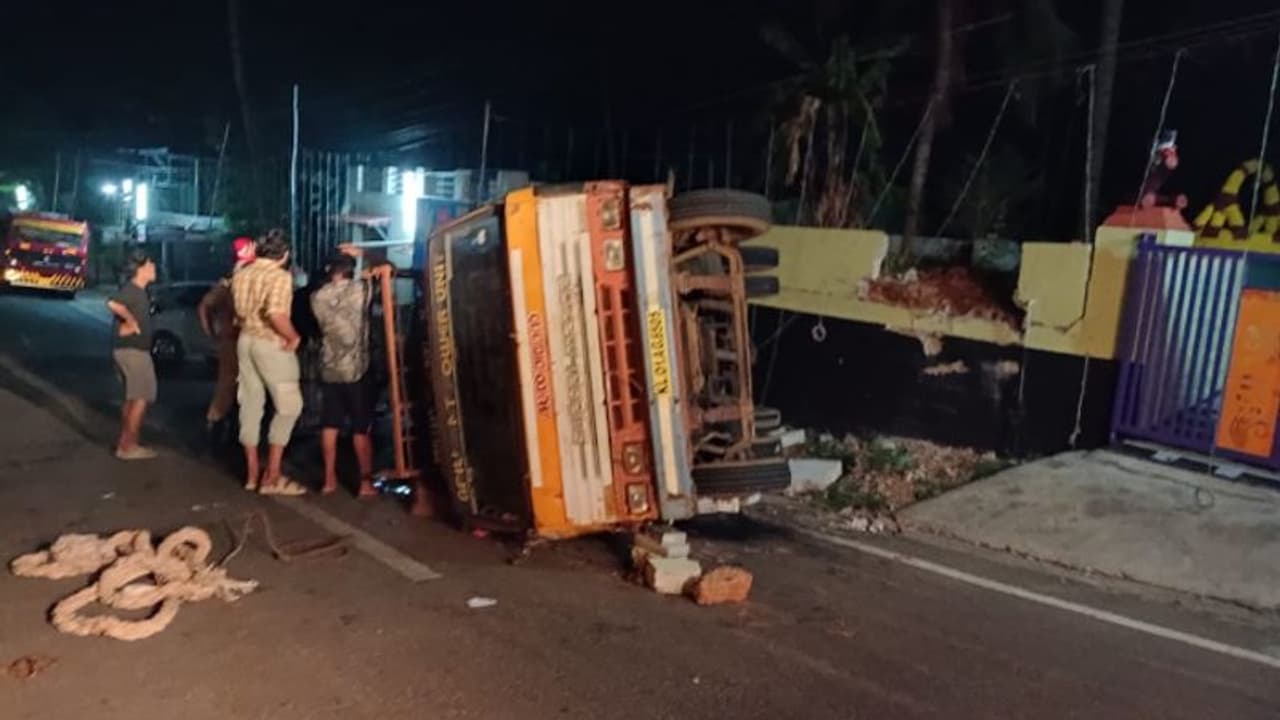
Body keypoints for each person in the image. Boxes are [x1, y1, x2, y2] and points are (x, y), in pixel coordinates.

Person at [230, 229, 307, 495]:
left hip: (245, 341)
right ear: (284, 255)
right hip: (270, 343)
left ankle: (252, 473)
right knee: (289, 406)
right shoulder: (280, 276)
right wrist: (293, 336)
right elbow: (275, 313)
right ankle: (272, 476)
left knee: (250, 404)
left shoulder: (241, 272)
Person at [310, 247, 381, 497]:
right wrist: (362, 254)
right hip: (357, 369)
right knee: (361, 427)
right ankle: (364, 483)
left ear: (330, 271)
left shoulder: (317, 297)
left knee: (330, 424)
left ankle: (328, 480)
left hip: (329, 368)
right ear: (350, 270)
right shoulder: (360, 291)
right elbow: (378, 273)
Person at [197, 237, 256, 436]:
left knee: (231, 385)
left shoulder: (230, 282)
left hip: (237, 339)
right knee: (230, 384)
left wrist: (211, 332)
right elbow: (205, 306)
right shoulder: (228, 283)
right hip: (234, 340)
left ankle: (222, 422)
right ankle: (218, 422)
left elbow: (204, 306)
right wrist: (212, 332)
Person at [106, 249, 159, 460]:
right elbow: (113, 303)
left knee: (132, 398)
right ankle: (129, 445)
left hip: (127, 350)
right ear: (141, 269)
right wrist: (131, 321)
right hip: (133, 352)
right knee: (140, 397)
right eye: (151, 265)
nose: (154, 269)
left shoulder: (139, 291)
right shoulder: (133, 289)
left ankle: (125, 442)